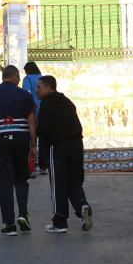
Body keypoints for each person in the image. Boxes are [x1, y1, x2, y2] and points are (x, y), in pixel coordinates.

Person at [0, 65, 37, 236]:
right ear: (15, 76)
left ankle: (9, 224)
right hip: (21, 139)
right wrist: (33, 145)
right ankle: (23, 214)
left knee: (3, 182)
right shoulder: (24, 95)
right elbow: (32, 121)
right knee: (21, 178)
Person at [36, 75, 93, 234]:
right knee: (74, 182)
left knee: (58, 185)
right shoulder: (67, 102)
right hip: (76, 145)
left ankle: (60, 221)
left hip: (59, 147)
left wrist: (42, 159)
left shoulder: (47, 104)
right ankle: (83, 207)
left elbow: (43, 131)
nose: (36, 90)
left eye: (39, 87)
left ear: (49, 87)